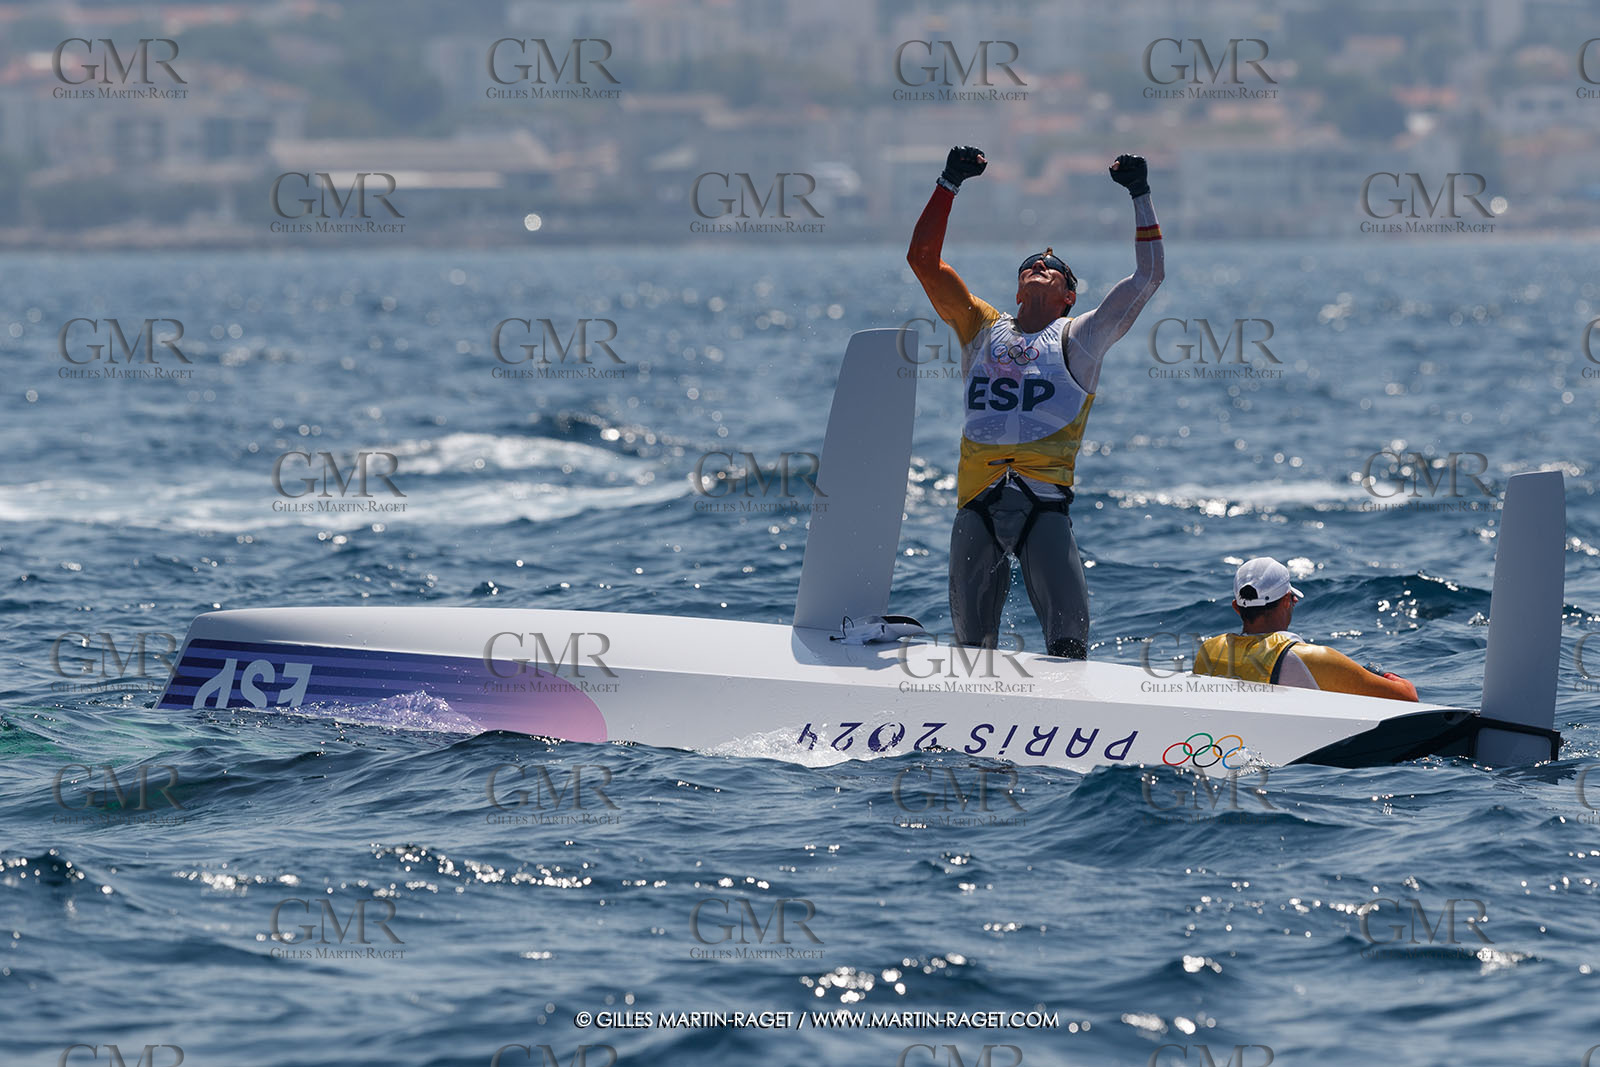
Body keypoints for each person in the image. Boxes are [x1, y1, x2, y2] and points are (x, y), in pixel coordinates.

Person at [906, 145, 1164, 658]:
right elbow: (923, 262)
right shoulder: (979, 326)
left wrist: (1140, 193)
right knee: (971, 652)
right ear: (1018, 288)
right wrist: (948, 181)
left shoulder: (1083, 337)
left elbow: (1148, 277)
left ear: (1069, 295)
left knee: (1068, 648)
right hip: (975, 506)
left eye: (1054, 267)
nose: (1041, 266)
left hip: (1045, 509)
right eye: (1031, 265)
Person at [1192, 557, 1419, 701]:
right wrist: (1380, 674)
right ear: (1288, 601)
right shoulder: (1314, 659)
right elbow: (1408, 696)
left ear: (1236, 607)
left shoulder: (1208, 652)